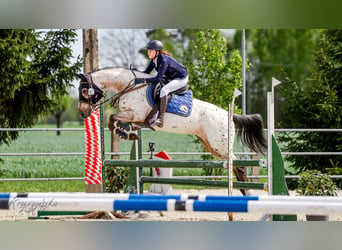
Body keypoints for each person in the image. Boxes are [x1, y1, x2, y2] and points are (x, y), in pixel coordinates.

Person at [135, 40, 188, 128]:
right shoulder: (154, 60)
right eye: (148, 50)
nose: (148, 52)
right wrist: (136, 73)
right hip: (170, 77)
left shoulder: (163, 60)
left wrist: (143, 80)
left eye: (151, 51)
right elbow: (146, 72)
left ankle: (160, 119)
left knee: (164, 90)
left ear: (157, 52)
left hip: (181, 77)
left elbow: (157, 78)